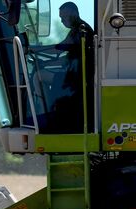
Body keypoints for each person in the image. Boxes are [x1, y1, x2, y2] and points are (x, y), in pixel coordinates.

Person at [52, 2, 94, 133]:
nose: (62, 20)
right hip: (74, 75)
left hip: (76, 78)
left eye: (63, 16)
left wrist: (34, 49)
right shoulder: (77, 30)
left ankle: (45, 111)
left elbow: (61, 48)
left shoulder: (81, 30)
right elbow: (65, 53)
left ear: (72, 14)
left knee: (38, 76)